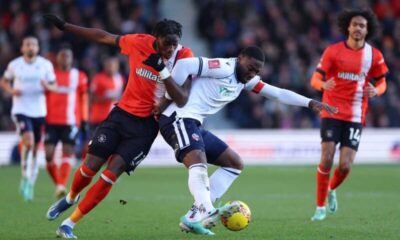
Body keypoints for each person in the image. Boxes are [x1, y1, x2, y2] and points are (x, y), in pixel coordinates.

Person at [147, 46, 338, 235]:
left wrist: (310, 102)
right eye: (250, 68)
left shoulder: (246, 81)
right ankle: (205, 208)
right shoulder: (222, 67)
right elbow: (184, 65)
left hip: (193, 124)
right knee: (198, 160)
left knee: (234, 163)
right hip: (177, 118)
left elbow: (278, 93)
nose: (252, 73)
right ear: (240, 58)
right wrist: (166, 99)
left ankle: (193, 216)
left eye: (257, 71)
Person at [43, 14, 199, 239]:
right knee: (90, 166)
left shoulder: (184, 56)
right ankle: (70, 197)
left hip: (146, 128)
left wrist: (163, 73)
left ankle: (69, 224)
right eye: (167, 44)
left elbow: (183, 98)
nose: (171, 49)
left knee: (110, 174)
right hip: (121, 116)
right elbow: (104, 37)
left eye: (175, 44)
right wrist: (66, 26)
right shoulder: (139, 42)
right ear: (156, 39)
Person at [309, 9, 388, 221]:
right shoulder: (333, 51)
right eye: (355, 24)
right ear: (348, 27)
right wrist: (323, 84)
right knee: (326, 158)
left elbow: (382, 83)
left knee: (345, 165)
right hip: (331, 110)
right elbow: (314, 80)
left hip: (355, 115)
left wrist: (376, 91)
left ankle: (332, 189)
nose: (358, 28)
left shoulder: (374, 55)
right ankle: (319, 208)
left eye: (362, 25)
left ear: (367, 30)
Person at [0, 36, 57, 201]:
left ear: (38, 48)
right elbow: (3, 81)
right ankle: (25, 175)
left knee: (34, 148)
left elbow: (55, 86)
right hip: (21, 109)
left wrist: (48, 87)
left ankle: (30, 180)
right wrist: (11, 91)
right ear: (22, 48)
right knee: (29, 141)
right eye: (27, 44)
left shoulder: (45, 65)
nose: (30, 47)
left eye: (33, 44)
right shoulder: (15, 64)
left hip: (39, 111)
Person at [44, 46, 89, 199]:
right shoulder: (50, 75)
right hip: (51, 120)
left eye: (67, 56)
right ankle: (59, 183)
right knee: (49, 155)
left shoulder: (79, 76)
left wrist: (84, 119)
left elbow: (84, 98)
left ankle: (61, 185)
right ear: (57, 58)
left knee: (67, 152)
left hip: (71, 121)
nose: (64, 58)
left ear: (72, 59)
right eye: (62, 56)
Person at [89, 57, 124, 134]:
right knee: (94, 142)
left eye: (113, 65)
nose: (111, 67)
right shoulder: (98, 78)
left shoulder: (120, 79)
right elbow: (91, 97)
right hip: (98, 118)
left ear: (117, 66)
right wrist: (107, 98)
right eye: (109, 65)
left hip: (114, 119)